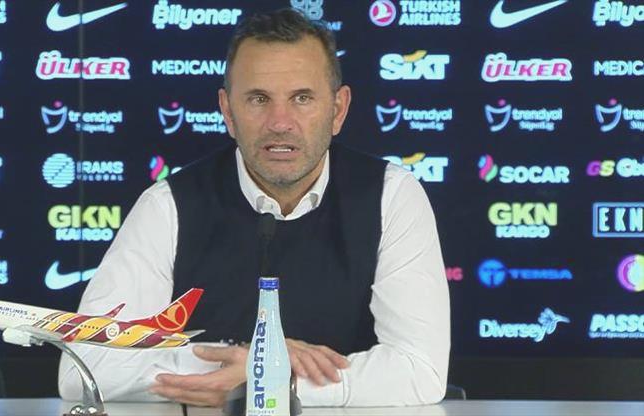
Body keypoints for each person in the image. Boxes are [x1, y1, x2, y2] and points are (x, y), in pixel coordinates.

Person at [59, 8, 450, 407]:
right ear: (228, 112)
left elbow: (422, 369)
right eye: (259, 99)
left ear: (338, 110)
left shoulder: (390, 195)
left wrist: (270, 377)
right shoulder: (168, 205)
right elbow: (83, 368)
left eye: (302, 98)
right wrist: (244, 361)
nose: (280, 122)